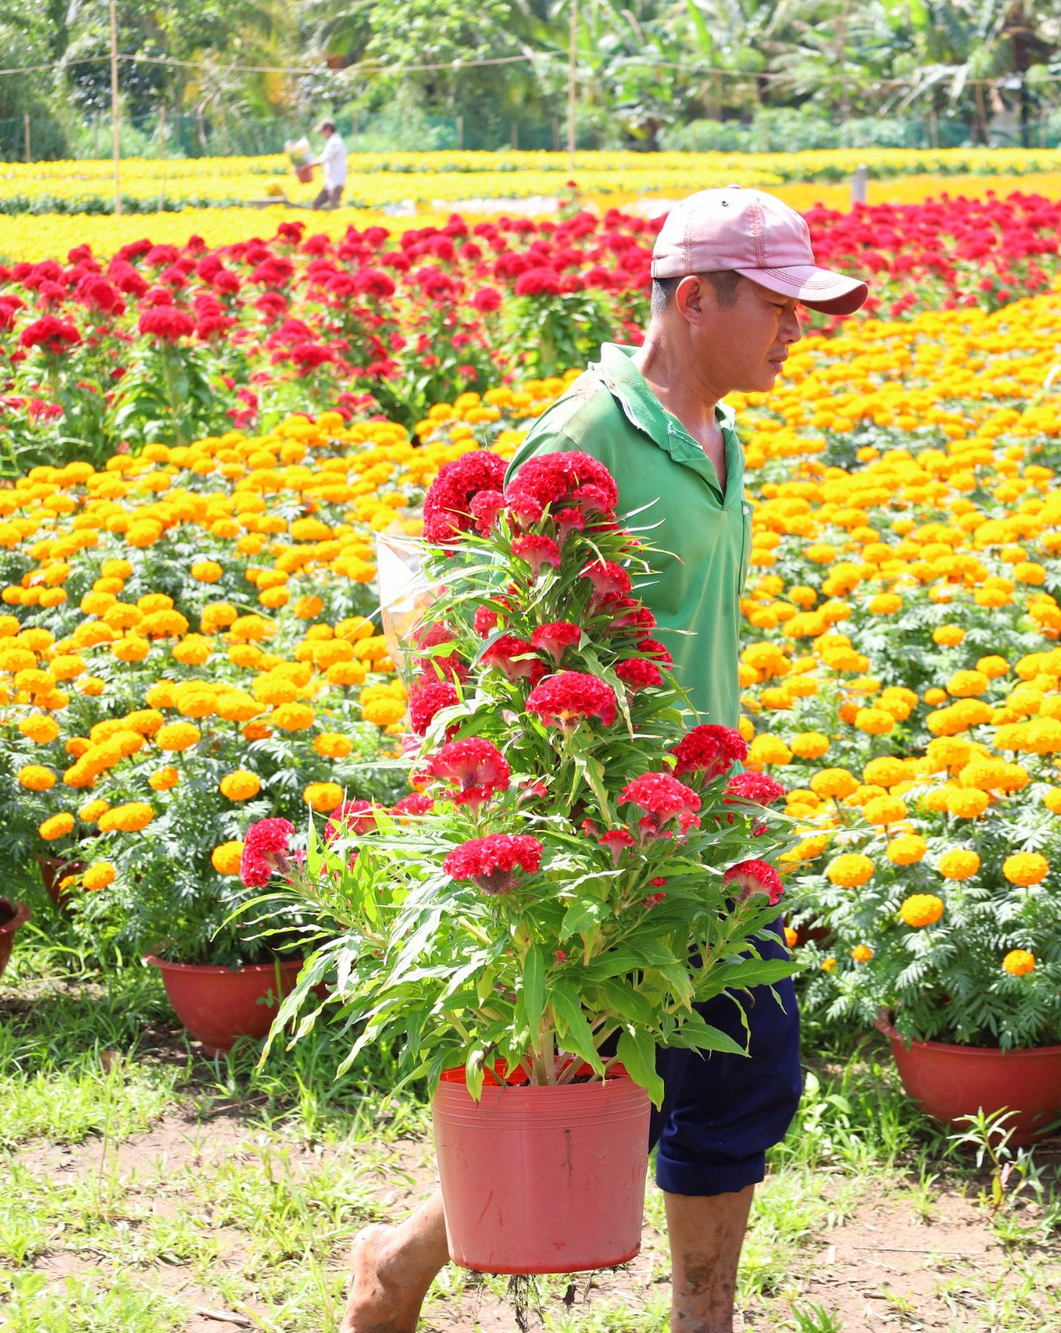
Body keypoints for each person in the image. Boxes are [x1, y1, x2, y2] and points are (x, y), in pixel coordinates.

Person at [341, 186, 868, 1333]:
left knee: (683, 1075)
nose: (796, 332)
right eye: (778, 307)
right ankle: (409, 1263)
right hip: (613, 833)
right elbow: (488, 629)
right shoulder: (585, 435)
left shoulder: (719, 436)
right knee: (675, 1070)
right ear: (693, 299)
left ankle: (407, 1265)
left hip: (706, 822)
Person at [313, 118, 348, 210]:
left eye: (322, 131)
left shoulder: (335, 142)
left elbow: (323, 159)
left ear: (328, 129)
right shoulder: (332, 141)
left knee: (334, 209)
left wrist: (306, 166)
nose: (322, 134)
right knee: (316, 204)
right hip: (330, 182)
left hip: (336, 183)